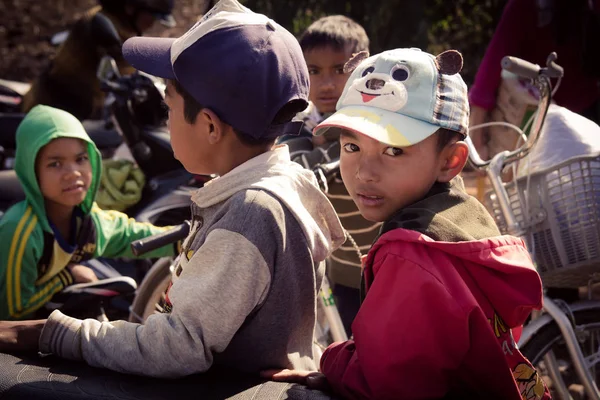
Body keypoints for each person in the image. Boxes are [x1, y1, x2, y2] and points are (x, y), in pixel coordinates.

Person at [0, 0, 345, 378]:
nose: (167, 120)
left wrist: (54, 333)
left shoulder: (251, 213)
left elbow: (177, 346)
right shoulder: (280, 184)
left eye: (169, 107)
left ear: (210, 127)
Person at [267, 48, 550, 399]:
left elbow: (385, 386)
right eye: (352, 146)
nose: (365, 173)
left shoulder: (412, 256)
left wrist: (330, 360)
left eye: (394, 151)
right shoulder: (461, 218)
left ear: (450, 161)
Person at [0, 104, 179, 321]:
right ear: (32, 172)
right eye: (55, 164)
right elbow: (12, 311)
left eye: (81, 159)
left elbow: (130, 236)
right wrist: (68, 276)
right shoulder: (21, 231)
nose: (73, 173)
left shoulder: (87, 221)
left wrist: (185, 240)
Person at [284, 15, 376, 334]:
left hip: (388, 264)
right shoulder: (301, 123)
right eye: (314, 71)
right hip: (344, 271)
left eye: (340, 70)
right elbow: (296, 166)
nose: (326, 84)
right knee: (353, 340)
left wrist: (332, 142)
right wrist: (332, 144)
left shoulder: (378, 121)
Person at [469, 0, 600, 160]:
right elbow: (492, 67)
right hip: (536, 117)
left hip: (586, 117)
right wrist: (477, 139)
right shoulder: (526, 6)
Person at [21, 0, 176, 121]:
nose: (152, 24)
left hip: (75, 107)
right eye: (152, 16)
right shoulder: (102, 25)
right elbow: (126, 69)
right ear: (131, 7)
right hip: (54, 107)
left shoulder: (116, 23)